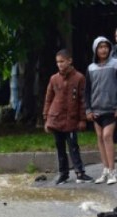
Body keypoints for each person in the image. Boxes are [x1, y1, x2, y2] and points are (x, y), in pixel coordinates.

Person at [43, 49, 92, 185]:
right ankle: (63, 173)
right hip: (56, 118)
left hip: (71, 119)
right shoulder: (54, 79)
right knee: (60, 147)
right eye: (58, 62)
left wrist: (82, 119)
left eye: (62, 61)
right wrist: (46, 118)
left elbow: (83, 100)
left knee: (73, 146)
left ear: (69, 61)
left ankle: (80, 172)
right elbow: (48, 99)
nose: (60, 64)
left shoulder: (79, 78)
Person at [85, 37, 117, 184]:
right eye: (100, 47)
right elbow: (87, 90)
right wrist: (88, 110)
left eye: (106, 47)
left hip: (111, 109)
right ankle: (104, 169)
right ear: (95, 50)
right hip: (96, 109)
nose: (103, 50)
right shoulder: (91, 68)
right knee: (100, 138)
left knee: (107, 136)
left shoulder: (115, 65)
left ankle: (112, 171)